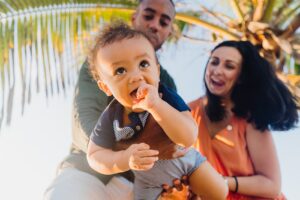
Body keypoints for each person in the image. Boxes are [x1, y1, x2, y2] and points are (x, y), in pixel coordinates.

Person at [44, 1, 190, 199]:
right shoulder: (100, 63)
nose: (155, 25)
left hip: (143, 186)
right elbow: (85, 122)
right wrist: (127, 156)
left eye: (164, 22)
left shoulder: (167, 83)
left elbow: (176, 139)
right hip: (86, 174)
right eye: (149, 16)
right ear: (134, 18)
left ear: (169, 31)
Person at [86, 22, 228, 200]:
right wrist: (124, 158)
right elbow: (94, 156)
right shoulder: (112, 117)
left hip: (186, 164)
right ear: (105, 87)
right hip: (147, 182)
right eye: (120, 70)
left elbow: (188, 136)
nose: (136, 76)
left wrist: (156, 106)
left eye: (143, 64)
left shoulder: (164, 96)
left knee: (219, 192)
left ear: (157, 71)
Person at [187, 40, 299, 199]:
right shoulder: (188, 111)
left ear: (240, 77)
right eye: (214, 62)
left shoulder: (249, 120)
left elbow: (272, 185)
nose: (217, 71)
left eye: (229, 66)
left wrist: (223, 182)